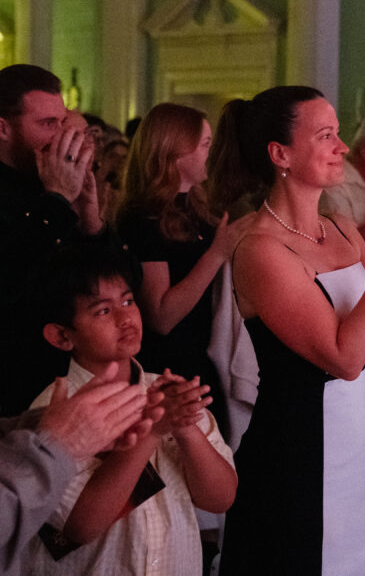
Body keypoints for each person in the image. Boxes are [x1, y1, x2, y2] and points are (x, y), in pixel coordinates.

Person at [217, 86, 365, 575]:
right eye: (326, 135)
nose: (342, 147)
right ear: (280, 154)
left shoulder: (341, 227)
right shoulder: (261, 249)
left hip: (354, 441)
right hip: (295, 451)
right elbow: (343, 358)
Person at [22, 244, 235, 575]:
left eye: (128, 300)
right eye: (103, 311)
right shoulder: (53, 410)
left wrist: (184, 426)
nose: (126, 317)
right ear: (62, 336)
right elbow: (80, 527)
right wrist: (154, 429)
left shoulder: (169, 390)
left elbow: (220, 498)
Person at [117, 103, 252, 433]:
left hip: (200, 355)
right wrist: (217, 254)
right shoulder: (143, 218)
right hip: (168, 366)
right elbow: (162, 317)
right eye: (205, 144)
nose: (212, 151)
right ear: (174, 151)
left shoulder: (195, 207)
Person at [0, 64, 120, 417]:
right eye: (46, 124)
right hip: (14, 390)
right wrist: (55, 201)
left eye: (61, 121)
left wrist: (91, 218)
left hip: (73, 379)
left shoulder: (54, 182)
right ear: (3, 128)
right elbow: (12, 283)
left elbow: (117, 284)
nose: (59, 137)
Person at [1, 362, 152, 573]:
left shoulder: (152, 388)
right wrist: (57, 445)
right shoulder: (50, 395)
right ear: (61, 337)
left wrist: (45, 427)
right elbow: (78, 529)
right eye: (98, 324)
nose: (124, 326)